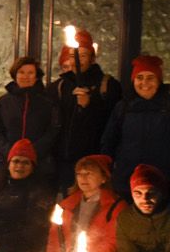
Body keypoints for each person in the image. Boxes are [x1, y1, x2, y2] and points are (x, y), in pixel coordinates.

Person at [102, 55, 170, 197]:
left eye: (150, 77)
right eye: (139, 77)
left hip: (166, 181)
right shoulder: (123, 107)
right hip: (128, 183)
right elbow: (109, 141)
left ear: (159, 80)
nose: (144, 82)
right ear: (133, 80)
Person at [52, 29, 122, 192]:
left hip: (94, 161)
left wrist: (88, 106)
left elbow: (111, 123)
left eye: (83, 55)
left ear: (92, 57)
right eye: (73, 56)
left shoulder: (108, 85)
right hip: (64, 162)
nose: (77, 60)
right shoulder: (60, 86)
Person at [0, 56, 59, 175]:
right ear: (15, 75)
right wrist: (10, 151)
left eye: (30, 73)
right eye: (21, 72)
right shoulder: (4, 101)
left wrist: (33, 151)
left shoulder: (48, 102)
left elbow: (53, 130)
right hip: (6, 160)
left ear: (36, 76)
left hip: (39, 161)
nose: (25, 76)